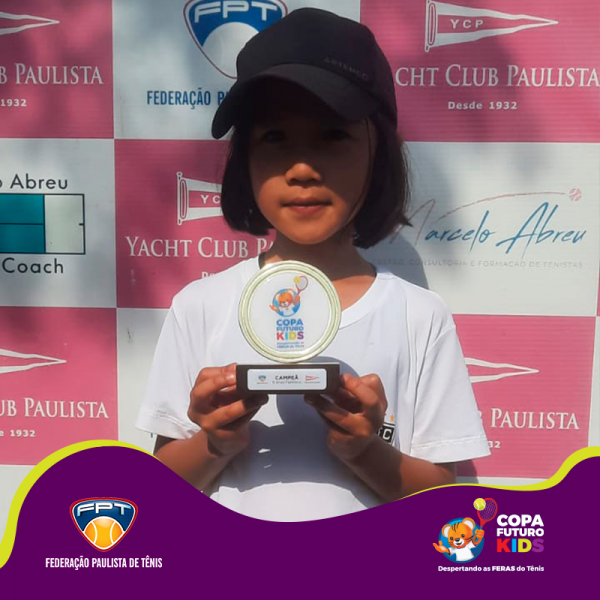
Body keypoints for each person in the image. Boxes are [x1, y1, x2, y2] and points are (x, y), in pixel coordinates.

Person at [136, 8, 490, 521]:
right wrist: (214, 443)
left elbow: (448, 505)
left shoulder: (421, 316)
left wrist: (367, 451)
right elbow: (155, 490)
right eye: (274, 137)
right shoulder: (200, 306)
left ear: (378, 153)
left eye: (333, 136)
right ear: (244, 159)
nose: (302, 169)